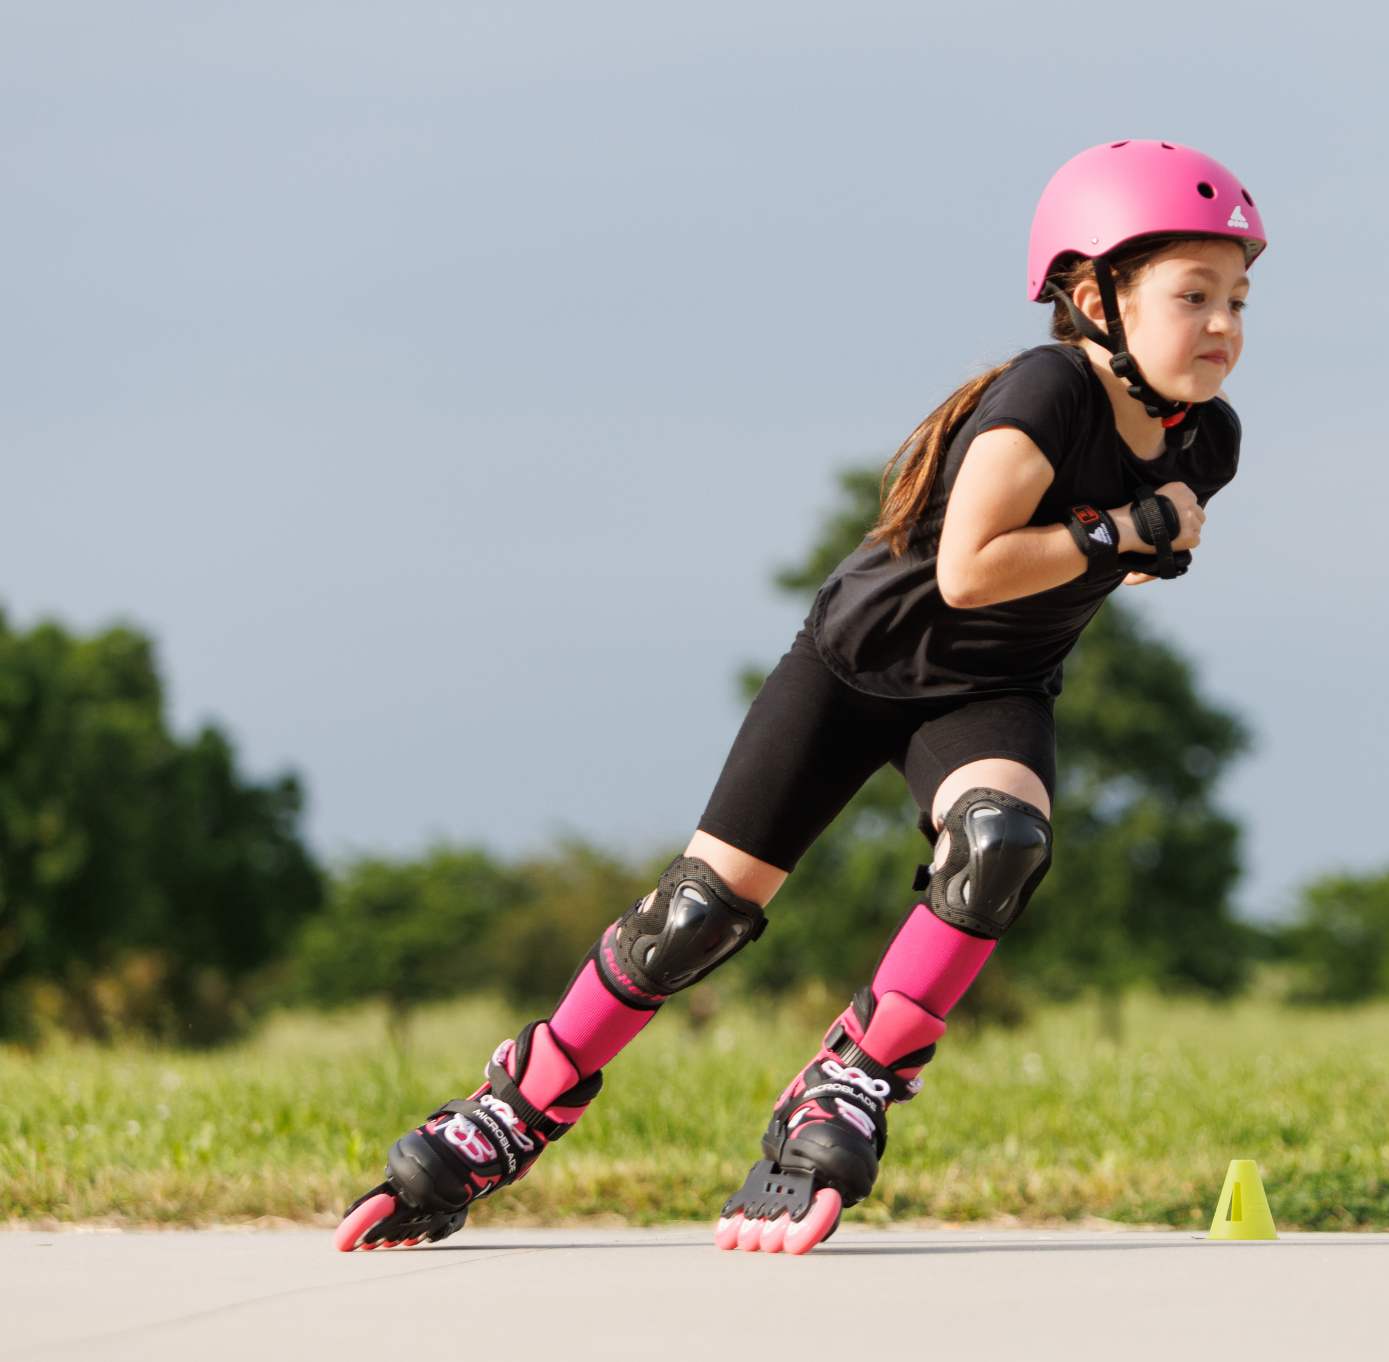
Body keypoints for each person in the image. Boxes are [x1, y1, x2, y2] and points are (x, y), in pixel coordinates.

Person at [334, 139, 1267, 1256]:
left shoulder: (1204, 441)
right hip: (849, 673)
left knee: (1001, 842)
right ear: (1090, 296)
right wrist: (1122, 531)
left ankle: (850, 1078)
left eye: (1238, 298)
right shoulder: (1047, 391)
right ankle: (518, 1102)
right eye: (1192, 295)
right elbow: (970, 569)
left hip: (989, 689)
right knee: (693, 919)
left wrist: (1133, 533)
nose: (1221, 325)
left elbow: (1063, 579)